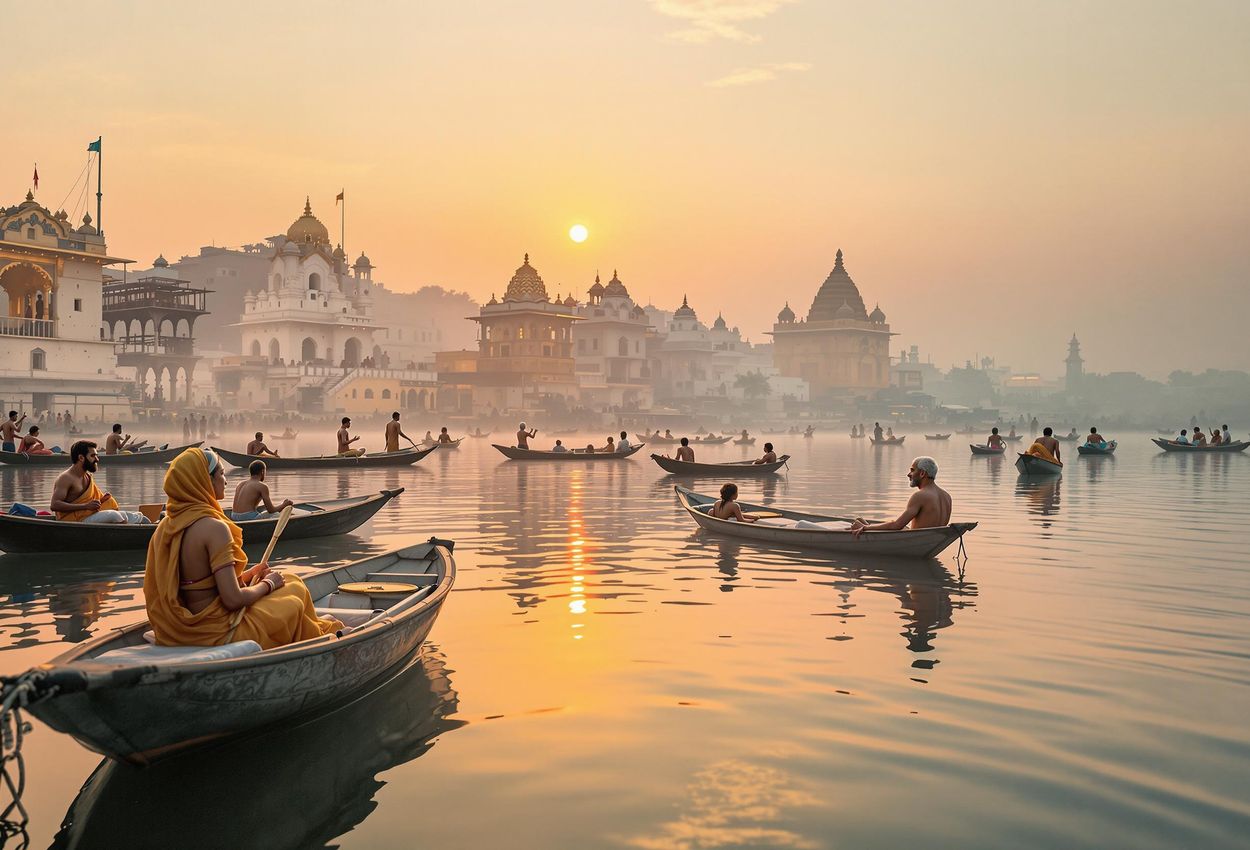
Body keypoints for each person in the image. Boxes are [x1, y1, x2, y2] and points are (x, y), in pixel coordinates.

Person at [143, 447, 342, 650]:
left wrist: (251, 575)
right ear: (205, 481)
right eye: (221, 474)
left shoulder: (165, 528)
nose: (225, 480)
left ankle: (315, 626)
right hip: (220, 630)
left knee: (289, 582)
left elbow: (204, 585)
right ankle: (319, 633)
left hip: (182, 629)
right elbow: (232, 599)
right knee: (295, 586)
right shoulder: (214, 528)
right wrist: (268, 584)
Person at [50, 440, 149, 524]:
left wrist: (101, 500)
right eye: (93, 456)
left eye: (96, 455)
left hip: (87, 515)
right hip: (72, 521)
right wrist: (85, 506)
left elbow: (88, 502)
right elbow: (54, 505)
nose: (97, 459)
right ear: (81, 458)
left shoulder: (87, 476)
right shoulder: (65, 478)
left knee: (137, 517)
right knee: (114, 515)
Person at [851, 456, 952, 537]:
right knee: (859, 520)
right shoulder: (947, 496)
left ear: (922, 473)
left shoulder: (920, 496)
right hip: (932, 539)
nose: (909, 474)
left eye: (912, 470)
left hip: (915, 540)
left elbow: (897, 525)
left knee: (858, 523)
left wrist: (864, 528)